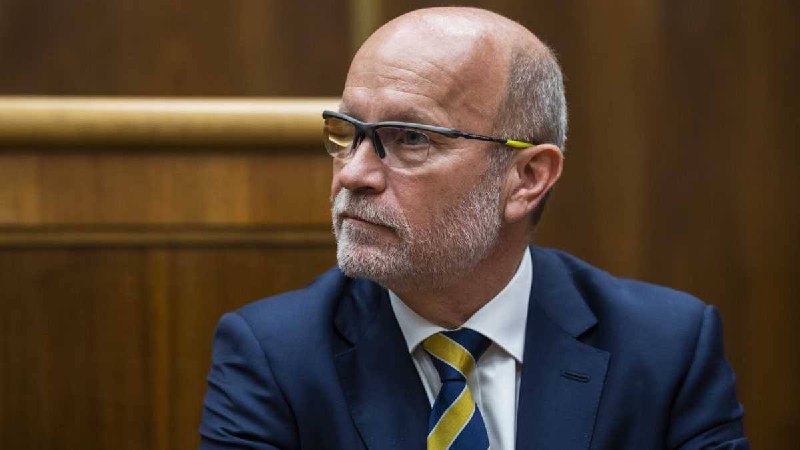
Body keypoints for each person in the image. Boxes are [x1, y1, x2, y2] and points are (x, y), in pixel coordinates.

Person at [200, 7, 748, 450]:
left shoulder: (666, 350)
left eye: (411, 138)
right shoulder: (273, 357)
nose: (354, 175)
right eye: (348, 133)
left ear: (527, 177)